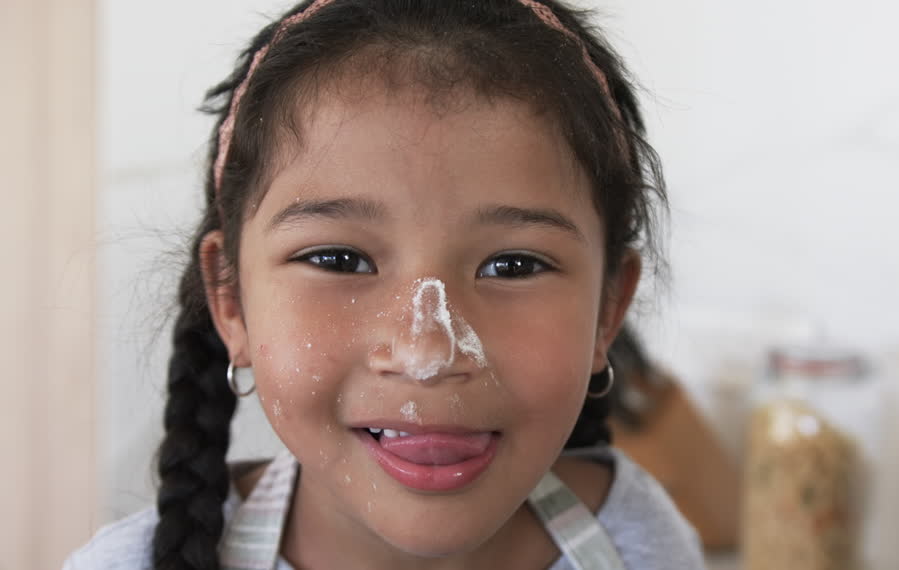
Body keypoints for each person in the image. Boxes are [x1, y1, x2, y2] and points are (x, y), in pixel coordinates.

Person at [67, 1, 706, 568]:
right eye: (340, 260)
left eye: (513, 266)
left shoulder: (641, 542)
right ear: (231, 301)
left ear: (607, 311)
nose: (427, 352)